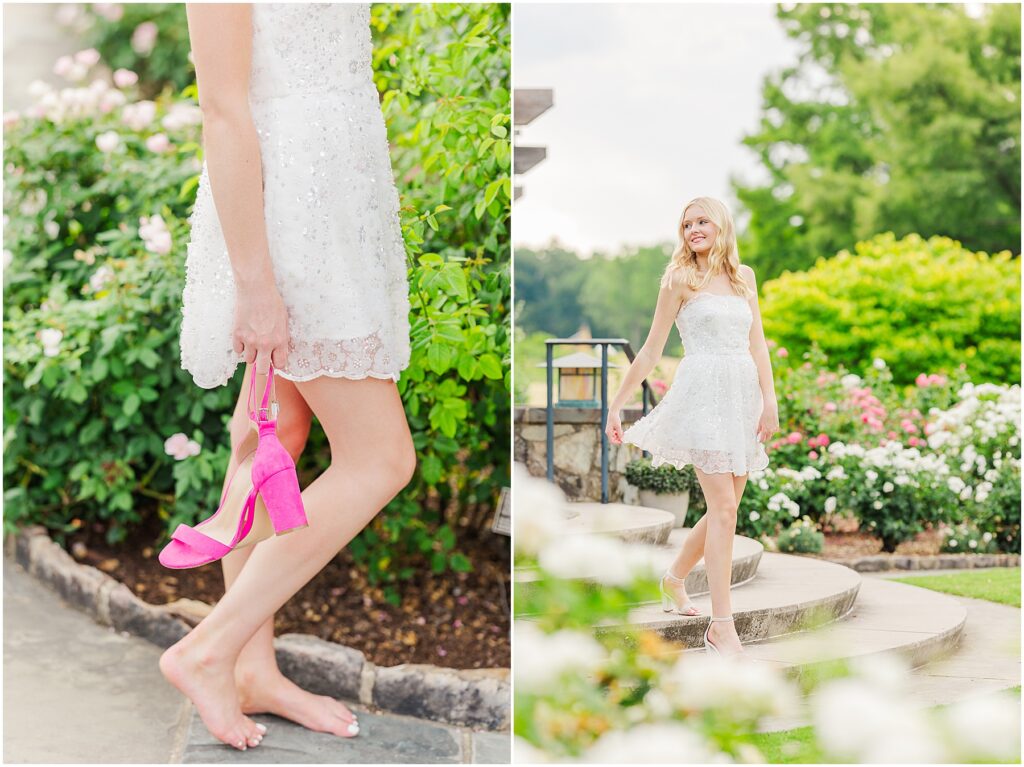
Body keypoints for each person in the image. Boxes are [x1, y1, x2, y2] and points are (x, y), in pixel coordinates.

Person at [159, 4, 416, 750]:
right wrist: (257, 285)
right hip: (286, 222)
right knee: (381, 458)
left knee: (272, 433)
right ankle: (209, 649)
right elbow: (222, 107)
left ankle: (253, 669)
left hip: (336, 201)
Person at [604, 196, 779, 658]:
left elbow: (757, 344)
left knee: (728, 506)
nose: (694, 230)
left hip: (741, 396)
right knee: (723, 509)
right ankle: (722, 626)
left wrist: (770, 400)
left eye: (702, 221)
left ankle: (673, 578)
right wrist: (616, 405)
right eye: (687, 224)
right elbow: (649, 349)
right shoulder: (680, 279)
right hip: (702, 396)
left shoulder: (745, 279)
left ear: (721, 225)